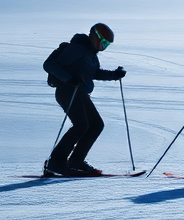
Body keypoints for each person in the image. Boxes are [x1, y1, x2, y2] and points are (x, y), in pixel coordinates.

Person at [41, 23, 125, 176]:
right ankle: (56, 163)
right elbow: (50, 65)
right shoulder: (78, 48)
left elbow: (93, 73)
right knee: (81, 125)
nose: (104, 46)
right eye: (103, 41)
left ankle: (76, 161)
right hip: (67, 91)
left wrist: (114, 75)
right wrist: (69, 79)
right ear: (95, 36)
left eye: (107, 44)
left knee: (96, 125)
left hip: (80, 93)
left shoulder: (91, 53)